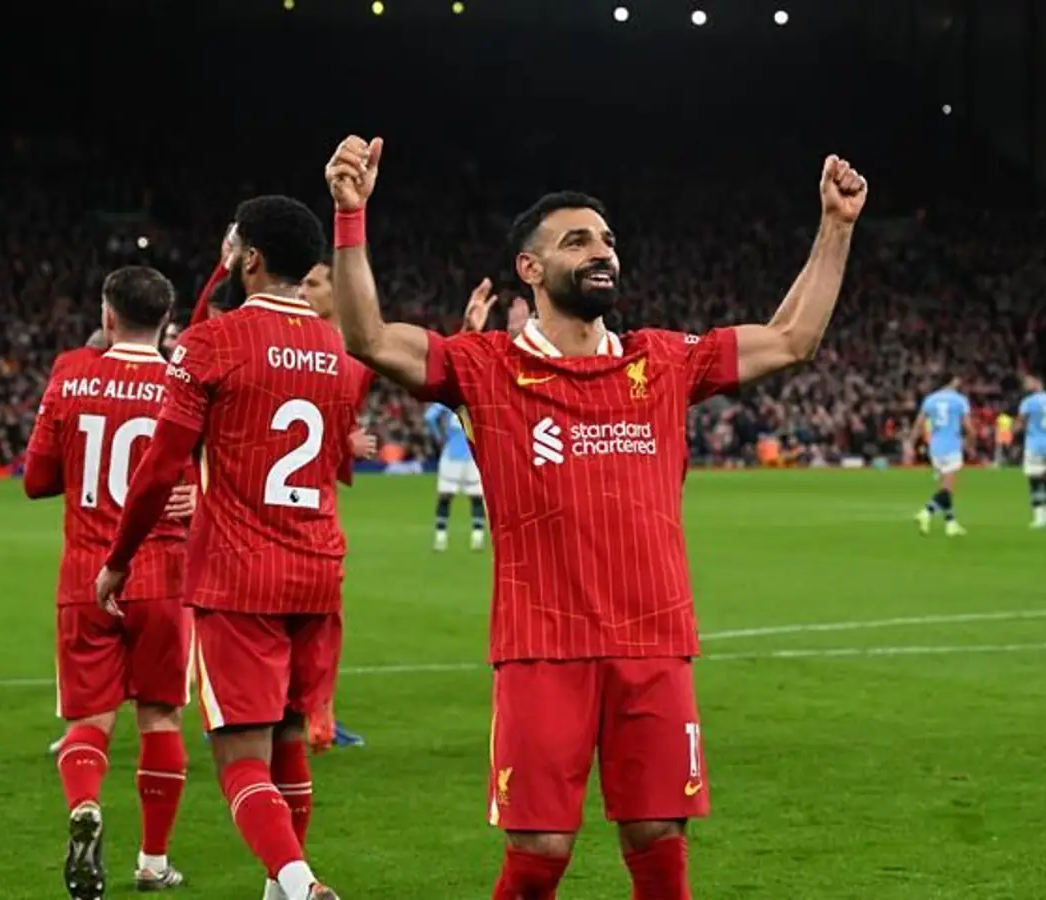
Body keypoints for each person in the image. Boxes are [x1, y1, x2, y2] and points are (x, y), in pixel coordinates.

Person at [325, 134, 865, 899]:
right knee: (538, 852)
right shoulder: (487, 367)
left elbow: (791, 339)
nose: (601, 251)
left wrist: (836, 226)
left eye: (607, 239)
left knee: (660, 841)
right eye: (577, 241)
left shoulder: (664, 360)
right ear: (530, 268)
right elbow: (369, 338)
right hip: (543, 647)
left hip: (655, 643)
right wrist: (351, 216)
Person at [96, 195, 355, 900]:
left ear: (251, 258)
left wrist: (118, 559)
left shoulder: (214, 342)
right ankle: (281, 889)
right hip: (319, 570)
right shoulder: (336, 347)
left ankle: (301, 885)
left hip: (241, 574)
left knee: (240, 755)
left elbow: (158, 468)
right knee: (290, 739)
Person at [25, 266, 194, 898]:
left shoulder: (70, 372)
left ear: (107, 315)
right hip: (162, 575)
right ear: (166, 320)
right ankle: (152, 863)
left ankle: (86, 806)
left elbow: (37, 481)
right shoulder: (183, 383)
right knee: (161, 717)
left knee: (89, 720)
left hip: (85, 575)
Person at [298, 257, 376, 753]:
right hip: (279, 504)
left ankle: (317, 717)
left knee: (321, 621)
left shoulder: (351, 352)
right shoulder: (298, 345)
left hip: (313, 500)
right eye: (302, 282)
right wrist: (344, 443)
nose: (304, 290)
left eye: (314, 283)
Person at [911, 376, 972, 537]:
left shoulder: (930, 399)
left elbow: (919, 424)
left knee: (944, 486)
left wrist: (911, 443)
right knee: (948, 489)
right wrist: (971, 443)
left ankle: (951, 524)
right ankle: (926, 512)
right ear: (952, 381)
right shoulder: (960, 400)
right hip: (952, 446)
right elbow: (969, 427)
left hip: (935, 447)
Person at [425, 401, 485, 551]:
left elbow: (429, 417)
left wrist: (439, 437)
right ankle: (477, 537)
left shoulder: (448, 400)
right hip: (473, 456)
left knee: (445, 497)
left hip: (452, 456)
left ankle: (440, 538)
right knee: (476, 498)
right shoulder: (477, 400)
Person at [1016, 375, 1046, 529]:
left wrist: (1015, 430)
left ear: (1037, 382)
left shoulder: (1028, 402)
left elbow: (1020, 423)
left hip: (1035, 445)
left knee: (1035, 481)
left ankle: (1039, 518)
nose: (1025, 385)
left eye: (1028, 382)